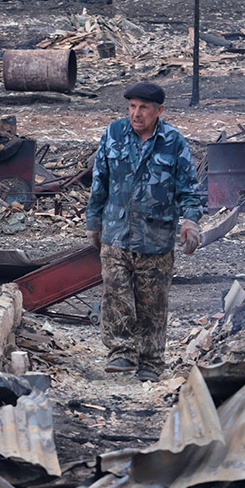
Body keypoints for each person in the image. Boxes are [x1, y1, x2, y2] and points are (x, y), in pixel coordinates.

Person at [86, 81, 204, 382]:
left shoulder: (173, 142)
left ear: (159, 111)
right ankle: (122, 352)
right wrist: (93, 222)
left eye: (143, 108)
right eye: (132, 106)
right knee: (116, 294)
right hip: (117, 232)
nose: (136, 114)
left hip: (156, 237)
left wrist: (191, 221)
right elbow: (99, 181)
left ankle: (151, 361)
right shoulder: (113, 133)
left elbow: (189, 189)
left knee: (152, 303)